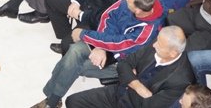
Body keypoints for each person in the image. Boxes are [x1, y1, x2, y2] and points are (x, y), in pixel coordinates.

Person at [31, 0, 165, 108]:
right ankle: (53, 101)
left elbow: (118, 44)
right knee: (74, 51)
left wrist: (84, 34)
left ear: (138, 11)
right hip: (107, 44)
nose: (125, 0)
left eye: (129, 2)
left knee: (73, 66)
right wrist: (100, 47)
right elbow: (108, 17)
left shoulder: (147, 31)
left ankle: (51, 101)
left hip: (123, 63)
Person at [64, 26, 194, 108]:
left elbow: (150, 105)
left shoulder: (181, 79)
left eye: (159, 45)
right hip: (118, 91)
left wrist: (129, 76)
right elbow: (124, 64)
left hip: (134, 105)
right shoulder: (157, 43)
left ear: (173, 53)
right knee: (72, 102)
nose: (154, 45)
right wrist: (137, 85)